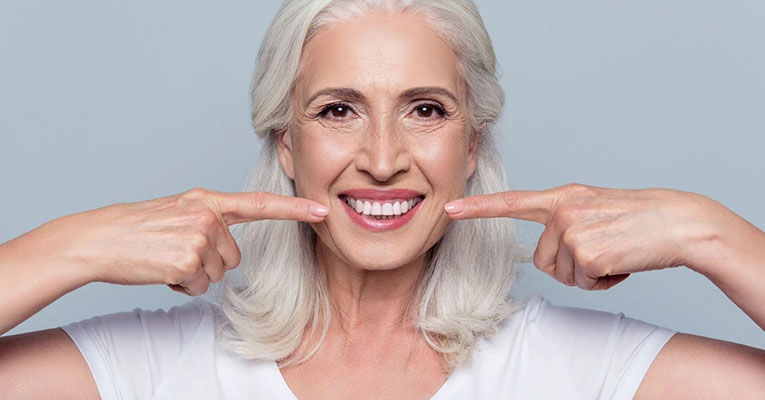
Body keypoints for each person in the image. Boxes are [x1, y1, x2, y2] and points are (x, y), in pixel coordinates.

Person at [1, 0, 763, 398]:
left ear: (471, 145)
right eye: (337, 110)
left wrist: (710, 235)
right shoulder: (147, 367)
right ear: (285, 145)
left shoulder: (589, 369)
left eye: (425, 109)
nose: (382, 159)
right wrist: (73, 248)